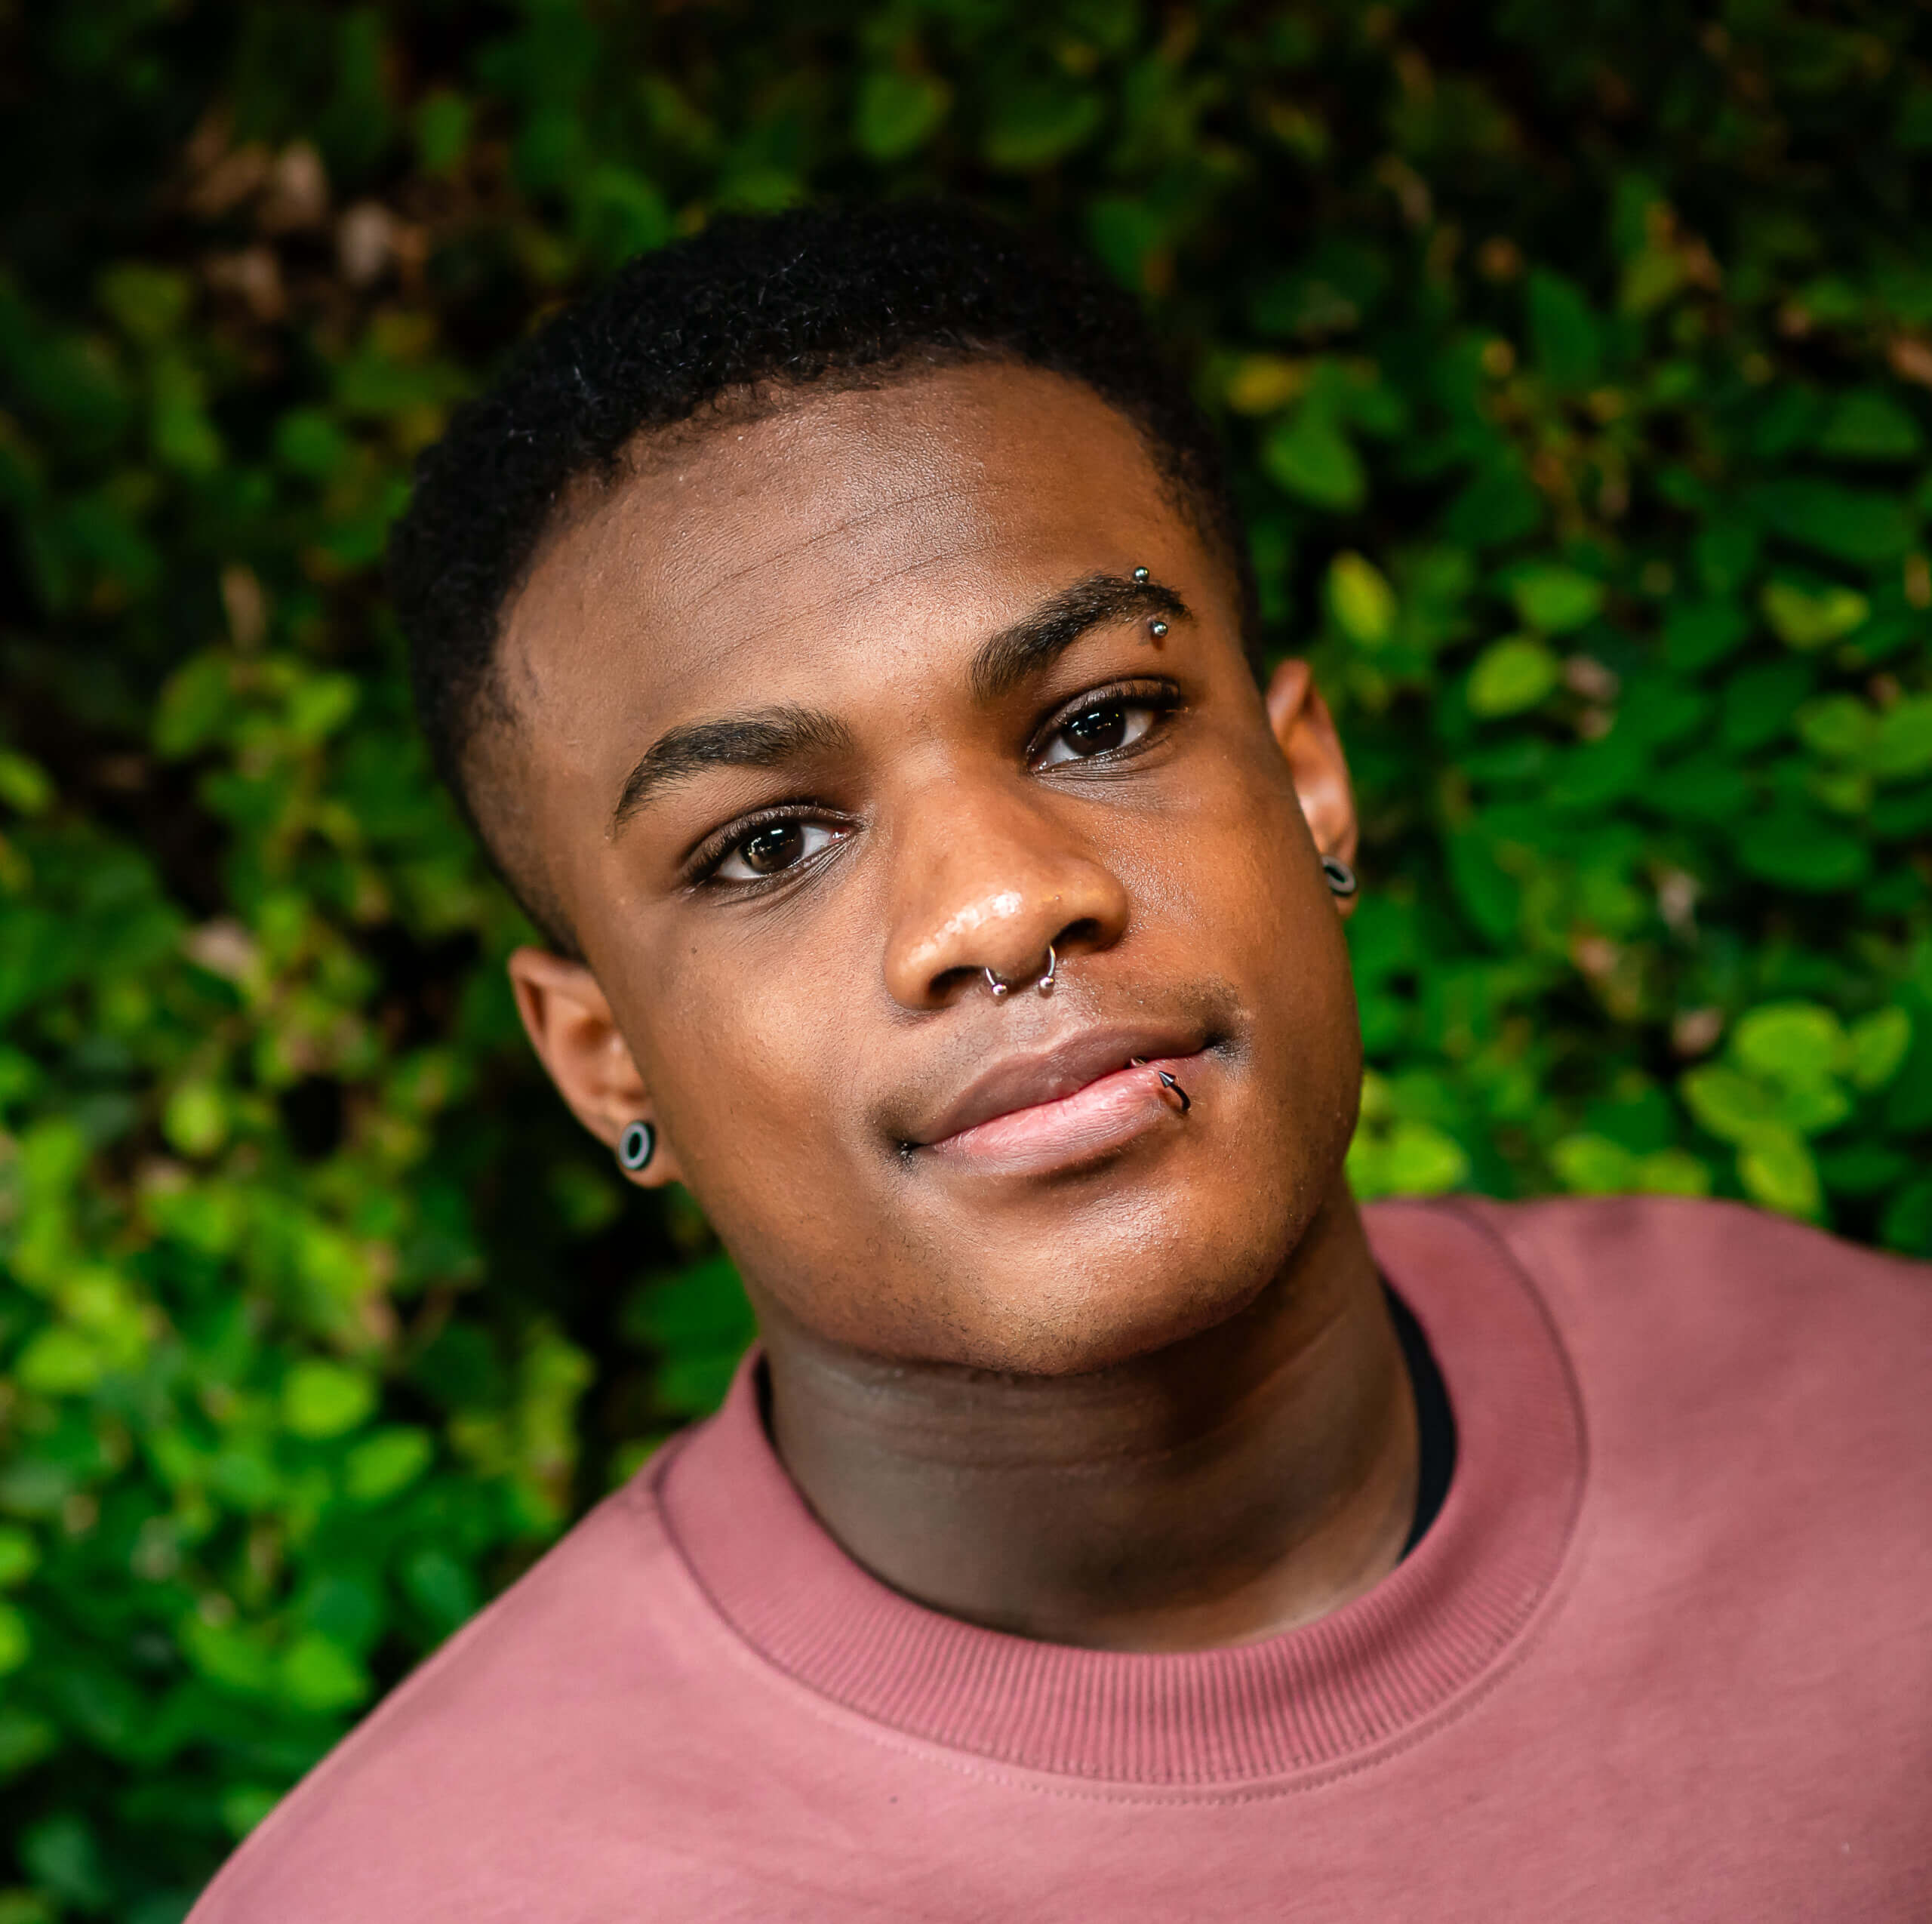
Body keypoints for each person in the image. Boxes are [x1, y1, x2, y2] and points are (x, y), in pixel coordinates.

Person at [189, 202, 1930, 1922]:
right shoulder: (424, 1895)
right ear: (604, 1062)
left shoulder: (1874, 1431)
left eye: (1100, 723)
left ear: (1307, 783)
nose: (1001, 903)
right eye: (767, 846)